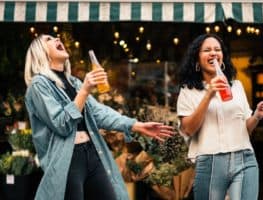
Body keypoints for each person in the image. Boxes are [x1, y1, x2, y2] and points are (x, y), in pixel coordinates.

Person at [24, 34, 174, 200]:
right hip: (66, 160)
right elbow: (61, 124)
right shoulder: (39, 85)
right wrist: (85, 90)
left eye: (55, 38)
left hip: (92, 151)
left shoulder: (73, 82)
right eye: (49, 39)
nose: (57, 39)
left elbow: (99, 113)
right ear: (39, 52)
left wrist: (136, 125)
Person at [176, 33, 263, 200]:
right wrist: (209, 94)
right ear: (197, 60)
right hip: (210, 162)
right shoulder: (188, 91)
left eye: (217, 49)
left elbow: (245, 129)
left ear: (222, 58)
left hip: (244, 158)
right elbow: (188, 130)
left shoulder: (236, 86)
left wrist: (257, 115)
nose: (213, 53)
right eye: (207, 50)